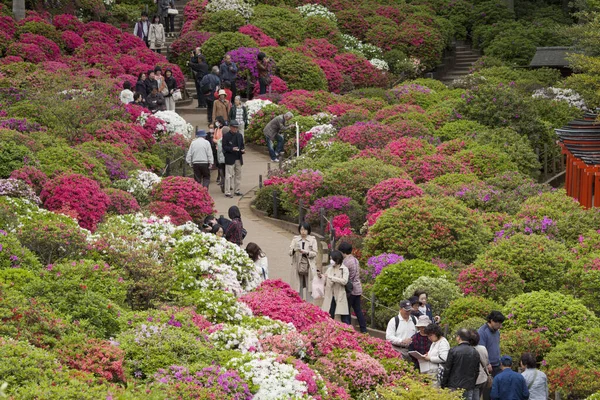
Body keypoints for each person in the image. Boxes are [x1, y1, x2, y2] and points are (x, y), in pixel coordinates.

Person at [441, 328, 481, 399]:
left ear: (459, 337)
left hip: (453, 385)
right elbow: (477, 371)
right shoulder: (475, 352)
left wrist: (444, 384)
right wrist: (472, 383)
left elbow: (447, 369)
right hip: (468, 386)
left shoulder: (453, 351)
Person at [338, 241, 366, 333]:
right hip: (358, 288)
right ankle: (363, 329)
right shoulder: (355, 260)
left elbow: (344, 276)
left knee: (346, 311)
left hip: (350, 290)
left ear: (343, 252)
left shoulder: (346, 262)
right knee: (358, 310)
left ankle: (348, 330)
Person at [478, 311, 506, 400]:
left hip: (497, 365)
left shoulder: (497, 332)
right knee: (488, 391)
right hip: (488, 367)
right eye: (498, 323)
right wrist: (487, 363)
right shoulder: (482, 332)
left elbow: (496, 346)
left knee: (498, 390)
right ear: (491, 321)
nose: (500, 326)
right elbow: (481, 350)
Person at [289, 222, 318, 301]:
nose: (303, 231)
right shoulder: (295, 239)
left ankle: (310, 305)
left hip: (309, 265)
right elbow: (290, 252)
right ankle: (299, 303)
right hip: (298, 265)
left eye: (305, 229)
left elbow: (315, 253)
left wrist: (306, 252)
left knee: (310, 286)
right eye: (301, 229)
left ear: (308, 230)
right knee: (298, 285)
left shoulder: (312, 240)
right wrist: (294, 250)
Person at [321, 250, 350, 322]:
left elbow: (344, 281)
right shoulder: (330, 269)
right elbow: (325, 279)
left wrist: (331, 278)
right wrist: (321, 277)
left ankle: (347, 331)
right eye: (330, 259)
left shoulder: (344, 269)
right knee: (330, 314)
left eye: (332, 259)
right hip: (330, 294)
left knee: (344, 316)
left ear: (337, 259)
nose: (331, 261)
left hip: (340, 294)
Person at [222, 120, 244, 198]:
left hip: (238, 157)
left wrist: (242, 150)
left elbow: (242, 145)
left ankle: (237, 190)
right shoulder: (226, 136)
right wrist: (232, 149)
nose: (235, 129)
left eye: (236, 127)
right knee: (229, 175)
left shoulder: (239, 135)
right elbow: (224, 147)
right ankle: (227, 191)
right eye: (234, 127)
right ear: (230, 127)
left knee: (238, 175)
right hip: (230, 157)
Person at [470, 329, 490, 400]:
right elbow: (486, 361)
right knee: (479, 396)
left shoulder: (468, 350)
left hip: (474, 380)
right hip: (483, 377)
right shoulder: (483, 348)